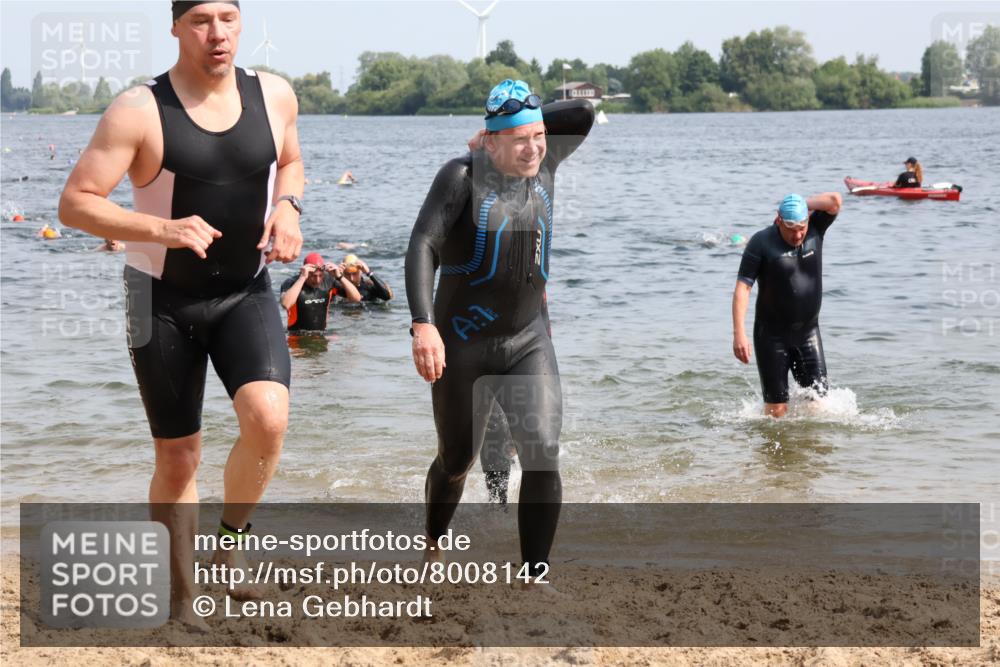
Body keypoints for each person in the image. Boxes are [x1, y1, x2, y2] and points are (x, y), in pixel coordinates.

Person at [57, 0, 304, 627]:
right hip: (158, 297)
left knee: (268, 420)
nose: (217, 33)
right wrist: (160, 228)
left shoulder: (274, 94)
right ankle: (179, 595)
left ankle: (231, 546)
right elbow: (76, 203)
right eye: (200, 19)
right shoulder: (139, 110)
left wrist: (290, 206)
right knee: (178, 456)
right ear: (174, 26)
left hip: (245, 288)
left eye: (228, 16)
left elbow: (292, 160)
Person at [406, 79, 594, 586]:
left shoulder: (546, 163)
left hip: (527, 338)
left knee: (542, 452)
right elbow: (422, 244)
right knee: (455, 460)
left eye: (538, 135)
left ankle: (535, 573)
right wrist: (423, 325)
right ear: (491, 143)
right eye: (518, 140)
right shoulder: (461, 178)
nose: (533, 148)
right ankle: (432, 544)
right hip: (462, 343)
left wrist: (526, 119)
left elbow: (581, 112)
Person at [732, 192, 843, 418]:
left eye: (801, 228)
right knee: (776, 413)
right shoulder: (760, 243)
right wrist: (739, 333)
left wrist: (804, 204)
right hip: (772, 338)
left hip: (808, 333)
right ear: (779, 220)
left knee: (819, 405)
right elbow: (743, 289)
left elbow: (834, 201)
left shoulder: (815, 230)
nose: (798, 234)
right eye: (792, 229)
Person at [280, 251, 360, 331]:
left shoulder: (328, 280)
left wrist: (339, 277)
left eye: (320, 275)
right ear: (306, 272)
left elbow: (356, 298)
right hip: (296, 337)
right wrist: (302, 278)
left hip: (321, 335)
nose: (318, 280)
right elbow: (286, 304)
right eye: (313, 276)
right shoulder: (292, 283)